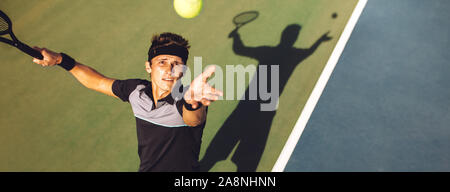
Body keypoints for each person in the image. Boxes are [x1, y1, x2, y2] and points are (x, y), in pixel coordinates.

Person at [32, 32, 222, 172]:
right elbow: (97, 81)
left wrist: (192, 102)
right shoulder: (136, 91)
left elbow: (193, 119)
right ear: (149, 67)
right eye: (162, 62)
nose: (169, 70)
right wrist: (59, 60)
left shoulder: (188, 97)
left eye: (176, 64)